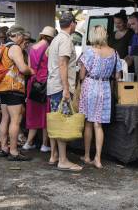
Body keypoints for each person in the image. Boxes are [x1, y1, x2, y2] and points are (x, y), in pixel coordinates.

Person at [79, 26, 122, 169]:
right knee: (99, 124)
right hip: (105, 88)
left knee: (89, 123)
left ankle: (86, 156)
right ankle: (98, 158)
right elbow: (117, 76)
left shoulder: (89, 52)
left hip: (90, 86)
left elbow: (81, 75)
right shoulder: (114, 53)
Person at [47, 12, 82, 171]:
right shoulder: (66, 40)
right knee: (62, 121)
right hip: (61, 86)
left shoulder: (55, 39)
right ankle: (62, 159)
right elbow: (63, 64)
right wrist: (66, 89)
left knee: (55, 120)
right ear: (72, 24)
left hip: (53, 85)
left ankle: (54, 155)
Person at [0, 25, 34, 161]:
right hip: (13, 88)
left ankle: (4, 147)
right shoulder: (15, 48)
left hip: (2, 87)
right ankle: (14, 151)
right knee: (15, 121)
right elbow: (23, 69)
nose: (23, 39)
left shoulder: (2, 47)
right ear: (17, 35)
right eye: (22, 36)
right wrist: (31, 71)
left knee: (5, 118)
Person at [23, 26, 56, 153]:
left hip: (33, 82)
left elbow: (30, 67)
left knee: (33, 113)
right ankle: (44, 144)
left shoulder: (32, 48)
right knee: (45, 113)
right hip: (45, 84)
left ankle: (28, 142)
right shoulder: (49, 48)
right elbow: (51, 67)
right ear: (51, 38)